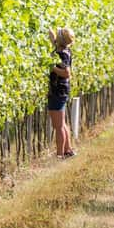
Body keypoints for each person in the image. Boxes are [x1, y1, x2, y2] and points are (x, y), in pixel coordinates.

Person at [47, 27, 76, 159]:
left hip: (58, 90)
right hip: (61, 90)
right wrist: (50, 33)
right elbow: (56, 44)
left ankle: (59, 155)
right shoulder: (62, 49)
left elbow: (66, 73)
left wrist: (52, 67)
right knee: (62, 123)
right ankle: (68, 150)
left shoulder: (62, 54)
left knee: (58, 126)